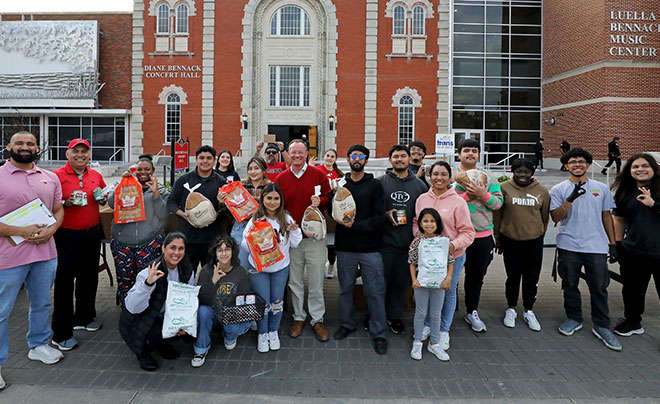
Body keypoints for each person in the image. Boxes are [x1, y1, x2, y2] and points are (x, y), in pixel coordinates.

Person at [0, 132, 65, 389]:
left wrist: (52, 229)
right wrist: (20, 231)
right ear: (8, 147)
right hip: (9, 258)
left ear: (37, 148)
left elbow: (58, 210)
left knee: (41, 303)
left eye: (30, 143)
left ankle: (38, 344)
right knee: (2, 312)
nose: (25, 147)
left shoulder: (50, 178)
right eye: (19, 143)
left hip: (45, 254)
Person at [550, 148, 621, 351]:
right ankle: (573, 318)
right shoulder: (559, 189)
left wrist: (613, 243)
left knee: (599, 286)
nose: (577, 165)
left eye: (582, 161)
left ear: (588, 164)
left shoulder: (601, 187)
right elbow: (555, 218)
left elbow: (607, 216)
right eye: (572, 162)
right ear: (566, 165)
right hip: (569, 244)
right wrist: (570, 199)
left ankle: (601, 325)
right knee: (570, 284)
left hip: (596, 245)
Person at [332, 145, 388, 355]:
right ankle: (347, 324)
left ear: (366, 160)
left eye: (361, 156)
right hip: (345, 247)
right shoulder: (340, 184)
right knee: (345, 289)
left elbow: (379, 216)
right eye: (353, 155)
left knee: (374, 291)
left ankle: (379, 332)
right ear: (348, 159)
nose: (356, 159)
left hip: (370, 248)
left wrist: (356, 226)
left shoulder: (374, 185)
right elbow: (333, 210)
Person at [51, 138, 107, 351]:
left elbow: (102, 194)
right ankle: (61, 333)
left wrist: (103, 199)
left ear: (89, 155)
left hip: (91, 234)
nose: (80, 155)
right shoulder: (56, 176)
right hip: (66, 235)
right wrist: (66, 203)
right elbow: (48, 203)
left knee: (89, 278)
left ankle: (83, 317)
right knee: (64, 283)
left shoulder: (95, 175)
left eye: (84, 152)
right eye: (76, 152)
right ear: (68, 154)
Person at [413, 161, 474, 350]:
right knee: (428, 290)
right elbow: (416, 223)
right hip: (428, 257)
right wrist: (419, 238)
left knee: (447, 291)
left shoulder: (458, 201)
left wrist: (452, 245)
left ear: (450, 177)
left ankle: (443, 330)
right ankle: (428, 325)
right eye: (435, 174)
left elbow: (468, 232)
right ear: (430, 176)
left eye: (443, 174)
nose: (439, 178)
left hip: (452, 257)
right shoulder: (422, 198)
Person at [274, 140, 331, 341]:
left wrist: (321, 201)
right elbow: (276, 206)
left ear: (307, 153)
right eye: (293, 152)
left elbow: (328, 197)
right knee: (295, 281)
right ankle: (299, 317)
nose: (297, 156)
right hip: (292, 239)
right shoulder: (281, 178)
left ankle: (317, 319)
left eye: (300, 152)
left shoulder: (319, 175)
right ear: (288, 154)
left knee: (316, 281)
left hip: (315, 238)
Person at [119, 232, 195, 371]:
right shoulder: (149, 270)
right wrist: (147, 285)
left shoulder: (187, 269)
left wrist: (184, 323)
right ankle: (142, 353)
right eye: (172, 248)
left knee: (191, 327)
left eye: (181, 248)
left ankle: (161, 344)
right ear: (163, 248)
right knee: (147, 332)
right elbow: (132, 308)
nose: (176, 253)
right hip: (140, 318)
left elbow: (188, 301)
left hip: (163, 314)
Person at [242, 183, 302, 352]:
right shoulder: (256, 219)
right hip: (259, 269)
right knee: (263, 302)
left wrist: (295, 230)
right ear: (263, 199)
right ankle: (262, 333)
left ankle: (273, 331)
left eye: (276, 198)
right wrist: (252, 236)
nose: (272, 202)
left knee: (276, 302)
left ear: (281, 200)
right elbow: (245, 246)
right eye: (269, 198)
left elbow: (296, 244)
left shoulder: (286, 218)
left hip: (280, 269)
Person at [493, 158, 550, 331]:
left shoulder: (542, 191)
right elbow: (497, 215)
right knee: (513, 276)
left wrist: (539, 233)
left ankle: (529, 310)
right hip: (510, 240)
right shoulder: (504, 188)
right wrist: (498, 238)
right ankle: (511, 308)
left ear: (532, 173)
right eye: (519, 171)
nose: (522, 175)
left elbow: (544, 216)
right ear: (513, 171)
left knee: (532, 277)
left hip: (534, 241)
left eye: (526, 172)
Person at [452, 139, 502, 333]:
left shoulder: (489, 177)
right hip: (455, 236)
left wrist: (483, 194)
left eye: (474, 151)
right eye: (466, 150)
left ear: (479, 155)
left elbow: (497, 204)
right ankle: (450, 310)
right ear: (459, 154)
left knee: (476, 276)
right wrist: (467, 197)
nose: (470, 153)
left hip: (481, 236)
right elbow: (445, 205)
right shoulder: (451, 176)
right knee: (451, 276)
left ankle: (472, 311)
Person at [377, 145, 427, 334]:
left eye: (403, 156)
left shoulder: (420, 185)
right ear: (390, 160)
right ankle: (376, 314)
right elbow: (372, 210)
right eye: (395, 156)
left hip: (407, 245)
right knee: (380, 283)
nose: (399, 159)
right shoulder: (380, 182)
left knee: (400, 284)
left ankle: (394, 316)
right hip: (384, 244)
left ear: (409, 159)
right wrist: (384, 213)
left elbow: (424, 215)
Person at [108, 155, 169, 305]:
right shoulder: (126, 186)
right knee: (124, 281)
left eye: (147, 169)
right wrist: (121, 184)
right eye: (139, 169)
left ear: (153, 171)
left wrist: (155, 193)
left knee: (147, 280)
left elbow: (163, 213)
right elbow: (111, 203)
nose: (143, 172)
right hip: (123, 243)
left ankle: (146, 314)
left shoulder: (161, 190)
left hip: (149, 242)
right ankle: (127, 313)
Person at [611, 153, 660, 338]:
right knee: (632, 291)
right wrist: (616, 244)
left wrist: (653, 204)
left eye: (645, 165)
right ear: (629, 171)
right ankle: (632, 322)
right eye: (635, 167)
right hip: (634, 251)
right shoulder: (625, 192)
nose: (640, 169)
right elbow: (619, 220)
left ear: (653, 168)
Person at [193, 236, 253, 366]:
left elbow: (245, 297)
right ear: (214, 253)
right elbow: (201, 300)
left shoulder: (240, 272)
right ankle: (201, 348)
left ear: (233, 251)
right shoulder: (207, 270)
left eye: (227, 249)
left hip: (232, 313)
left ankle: (230, 336)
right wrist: (213, 282)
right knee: (203, 311)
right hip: (214, 311)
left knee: (231, 324)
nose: (224, 253)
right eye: (219, 250)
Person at [167, 145, 226, 272]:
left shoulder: (221, 182)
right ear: (196, 159)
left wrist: (218, 211)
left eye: (209, 158)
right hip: (188, 237)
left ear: (214, 160)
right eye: (202, 158)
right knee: (186, 276)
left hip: (211, 239)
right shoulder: (184, 179)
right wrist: (183, 215)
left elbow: (226, 208)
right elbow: (171, 202)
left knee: (210, 276)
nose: (205, 161)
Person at [409, 208, 454, 361]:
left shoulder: (443, 242)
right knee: (420, 313)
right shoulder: (417, 241)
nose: (429, 224)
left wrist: (448, 279)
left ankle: (434, 342)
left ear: (438, 223)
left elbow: (450, 262)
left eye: (432, 221)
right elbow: (412, 262)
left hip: (439, 284)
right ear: (420, 223)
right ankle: (417, 341)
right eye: (425, 221)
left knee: (436, 314)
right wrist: (414, 280)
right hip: (421, 283)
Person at [228, 156, 271, 269]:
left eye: (256, 168)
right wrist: (223, 199)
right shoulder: (241, 185)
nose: (253, 171)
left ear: (263, 170)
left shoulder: (270, 186)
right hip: (241, 226)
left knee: (258, 262)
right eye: (250, 168)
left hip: (261, 227)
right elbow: (232, 205)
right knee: (240, 261)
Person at [315, 148, 344, 278]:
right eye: (327, 156)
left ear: (335, 159)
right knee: (319, 239)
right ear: (324, 156)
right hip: (320, 209)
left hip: (333, 211)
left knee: (332, 241)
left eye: (332, 156)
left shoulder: (339, 173)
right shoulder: (317, 170)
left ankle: (331, 264)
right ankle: (319, 266)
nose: (329, 158)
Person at [215, 149, 240, 236]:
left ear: (231, 160)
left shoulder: (234, 174)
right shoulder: (213, 173)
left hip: (230, 210)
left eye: (228, 157)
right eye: (223, 157)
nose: (225, 159)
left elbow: (239, 190)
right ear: (218, 159)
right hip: (216, 207)